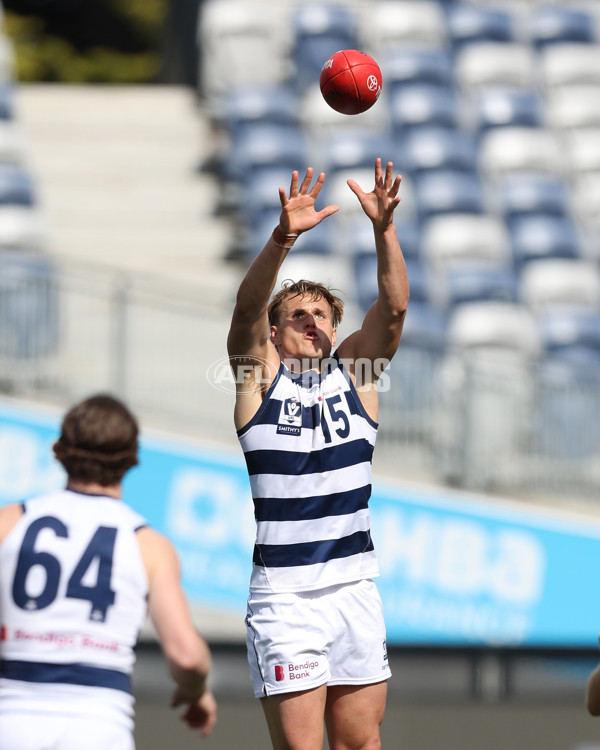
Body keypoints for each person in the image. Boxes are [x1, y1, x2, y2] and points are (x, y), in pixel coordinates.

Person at [227, 158, 409, 750]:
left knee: (360, 742)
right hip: (286, 593)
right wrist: (283, 239)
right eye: (296, 314)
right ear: (275, 335)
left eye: (321, 313)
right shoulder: (258, 380)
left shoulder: (357, 376)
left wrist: (384, 231)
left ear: (337, 328)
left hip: (355, 585)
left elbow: (395, 311)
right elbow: (245, 312)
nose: (311, 320)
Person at [0, 394, 217, 750]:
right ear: (131, 458)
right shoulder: (149, 545)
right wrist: (196, 692)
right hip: (98, 724)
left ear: (61, 449)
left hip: (12, 717)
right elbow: (187, 656)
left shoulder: (9, 522)